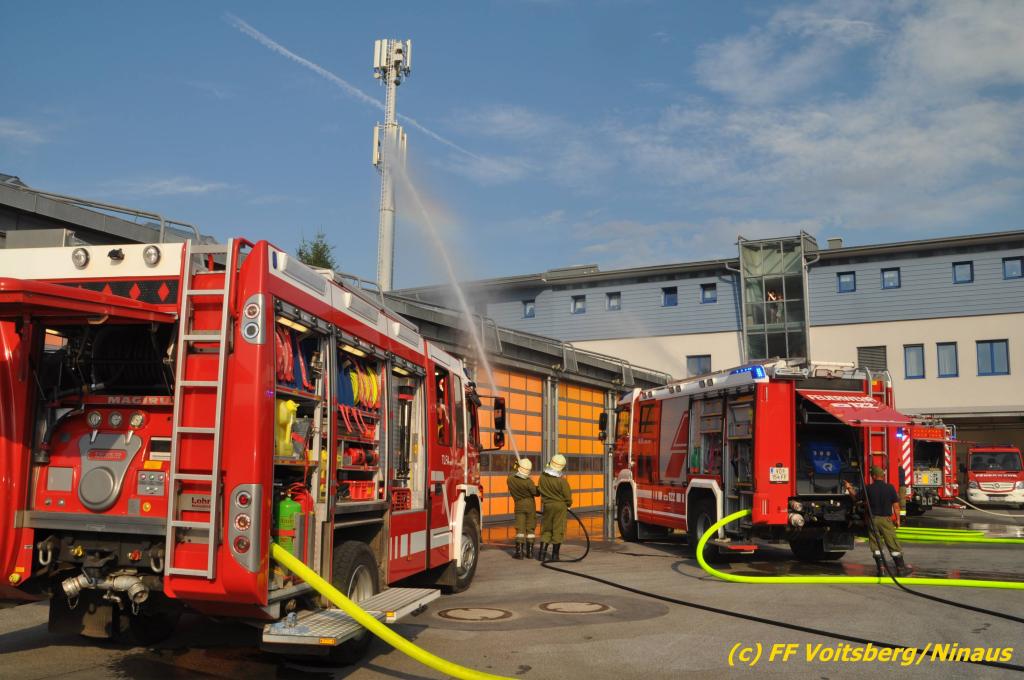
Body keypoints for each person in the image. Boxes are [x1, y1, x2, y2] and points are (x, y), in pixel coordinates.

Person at [844, 465, 910, 577]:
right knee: (892, 543)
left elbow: (856, 498)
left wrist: (849, 488)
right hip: (886, 520)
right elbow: (896, 505)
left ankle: (881, 570)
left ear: (873, 476)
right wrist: (898, 519)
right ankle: (900, 569)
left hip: (873, 520)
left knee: (876, 544)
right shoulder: (890, 488)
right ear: (882, 476)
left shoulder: (868, 488)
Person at [537, 454, 572, 562]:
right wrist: (568, 504)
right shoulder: (562, 481)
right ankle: (555, 556)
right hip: (560, 507)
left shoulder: (542, 477)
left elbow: (540, 489)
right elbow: (568, 497)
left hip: (547, 506)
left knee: (546, 528)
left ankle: (541, 555)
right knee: (558, 529)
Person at [507, 458, 540, 559]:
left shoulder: (510, 479)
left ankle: (519, 552)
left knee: (520, 528)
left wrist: (516, 466)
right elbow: (536, 493)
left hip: (518, 504)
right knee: (530, 528)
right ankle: (530, 553)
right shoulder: (528, 482)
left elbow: (511, 474)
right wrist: (538, 488)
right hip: (530, 505)